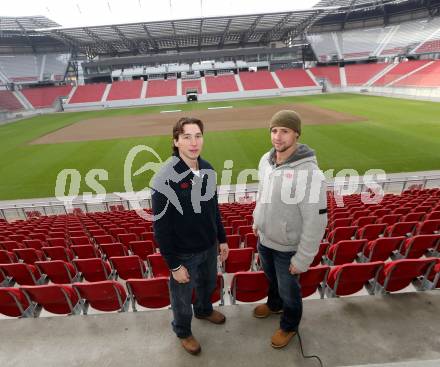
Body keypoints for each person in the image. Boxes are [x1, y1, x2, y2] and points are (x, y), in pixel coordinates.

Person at [152, 117, 229, 356]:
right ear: (176, 141)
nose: (193, 142)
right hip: (184, 253)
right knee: (182, 299)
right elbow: (161, 229)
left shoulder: (207, 169)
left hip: (208, 246)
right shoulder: (163, 178)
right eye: (186, 137)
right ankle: (183, 330)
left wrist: (222, 239)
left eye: (198, 136)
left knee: (207, 285)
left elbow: (213, 208)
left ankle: (204, 310)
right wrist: (174, 265)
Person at [252, 110, 328, 349]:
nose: (278, 136)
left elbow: (316, 221)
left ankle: (289, 325)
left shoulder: (311, 174)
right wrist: (257, 220)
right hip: (265, 239)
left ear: (296, 134)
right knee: (271, 280)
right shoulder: (266, 160)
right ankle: (274, 305)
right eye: (274, 130)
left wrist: (303, 259)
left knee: (290, 291)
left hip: (288, 248)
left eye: (284, 131)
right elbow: (262, 194)